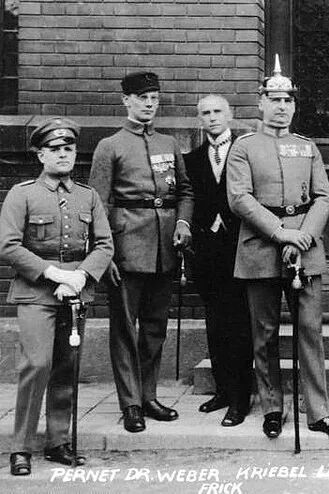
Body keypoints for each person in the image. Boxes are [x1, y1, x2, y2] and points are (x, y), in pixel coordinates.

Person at [226, 55, 329, 441]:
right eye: (274, 100)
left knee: (310, 331)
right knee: (264, 333)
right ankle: (272, 407)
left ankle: (319, 412)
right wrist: (281, 233)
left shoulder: (306, 147)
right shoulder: (244, 147)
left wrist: (304, 236)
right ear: (261, 103)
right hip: (261, 246)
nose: (282, 107)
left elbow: (323, 197)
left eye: (288, 100)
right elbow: (240, 198)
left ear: (295, 106)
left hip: (305, 249)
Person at [0, 117, 113, 475]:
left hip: (75, 292)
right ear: (41, 155)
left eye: (69, 148)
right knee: (37, 365)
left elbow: (104, 244)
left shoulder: (88, 195)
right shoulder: (22, 194)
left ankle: (58, 441)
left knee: (67, 367)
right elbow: (8, 245)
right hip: (36, 292)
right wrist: (54, 274)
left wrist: (79, 276)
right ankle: (21, 447)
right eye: (55, 149)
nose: (63, 154)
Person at [89, 71, 194, 433]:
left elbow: (185, 192)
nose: (149, 104)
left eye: (154, 98)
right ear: (126, 101)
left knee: (154, 327)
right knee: (124, 328)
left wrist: (183, 223)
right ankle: (130, 402)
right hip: (126, 247)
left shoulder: (168, 143)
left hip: (165, 248)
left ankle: (148, 395)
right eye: (142, 98)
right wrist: (105, 254)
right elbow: (98, 204)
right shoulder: (110, 146)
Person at [184, 94, 253, 427]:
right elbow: (188, 198)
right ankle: (223, 390)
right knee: (215, 322)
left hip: (240, 248)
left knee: (239, 324)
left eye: (217, 111)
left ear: (229, 115)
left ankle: (241, 398)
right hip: (207, 252)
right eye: (205, 113)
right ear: (200, 118)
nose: (212, 117)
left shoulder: (245, 150)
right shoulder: (192, 158)